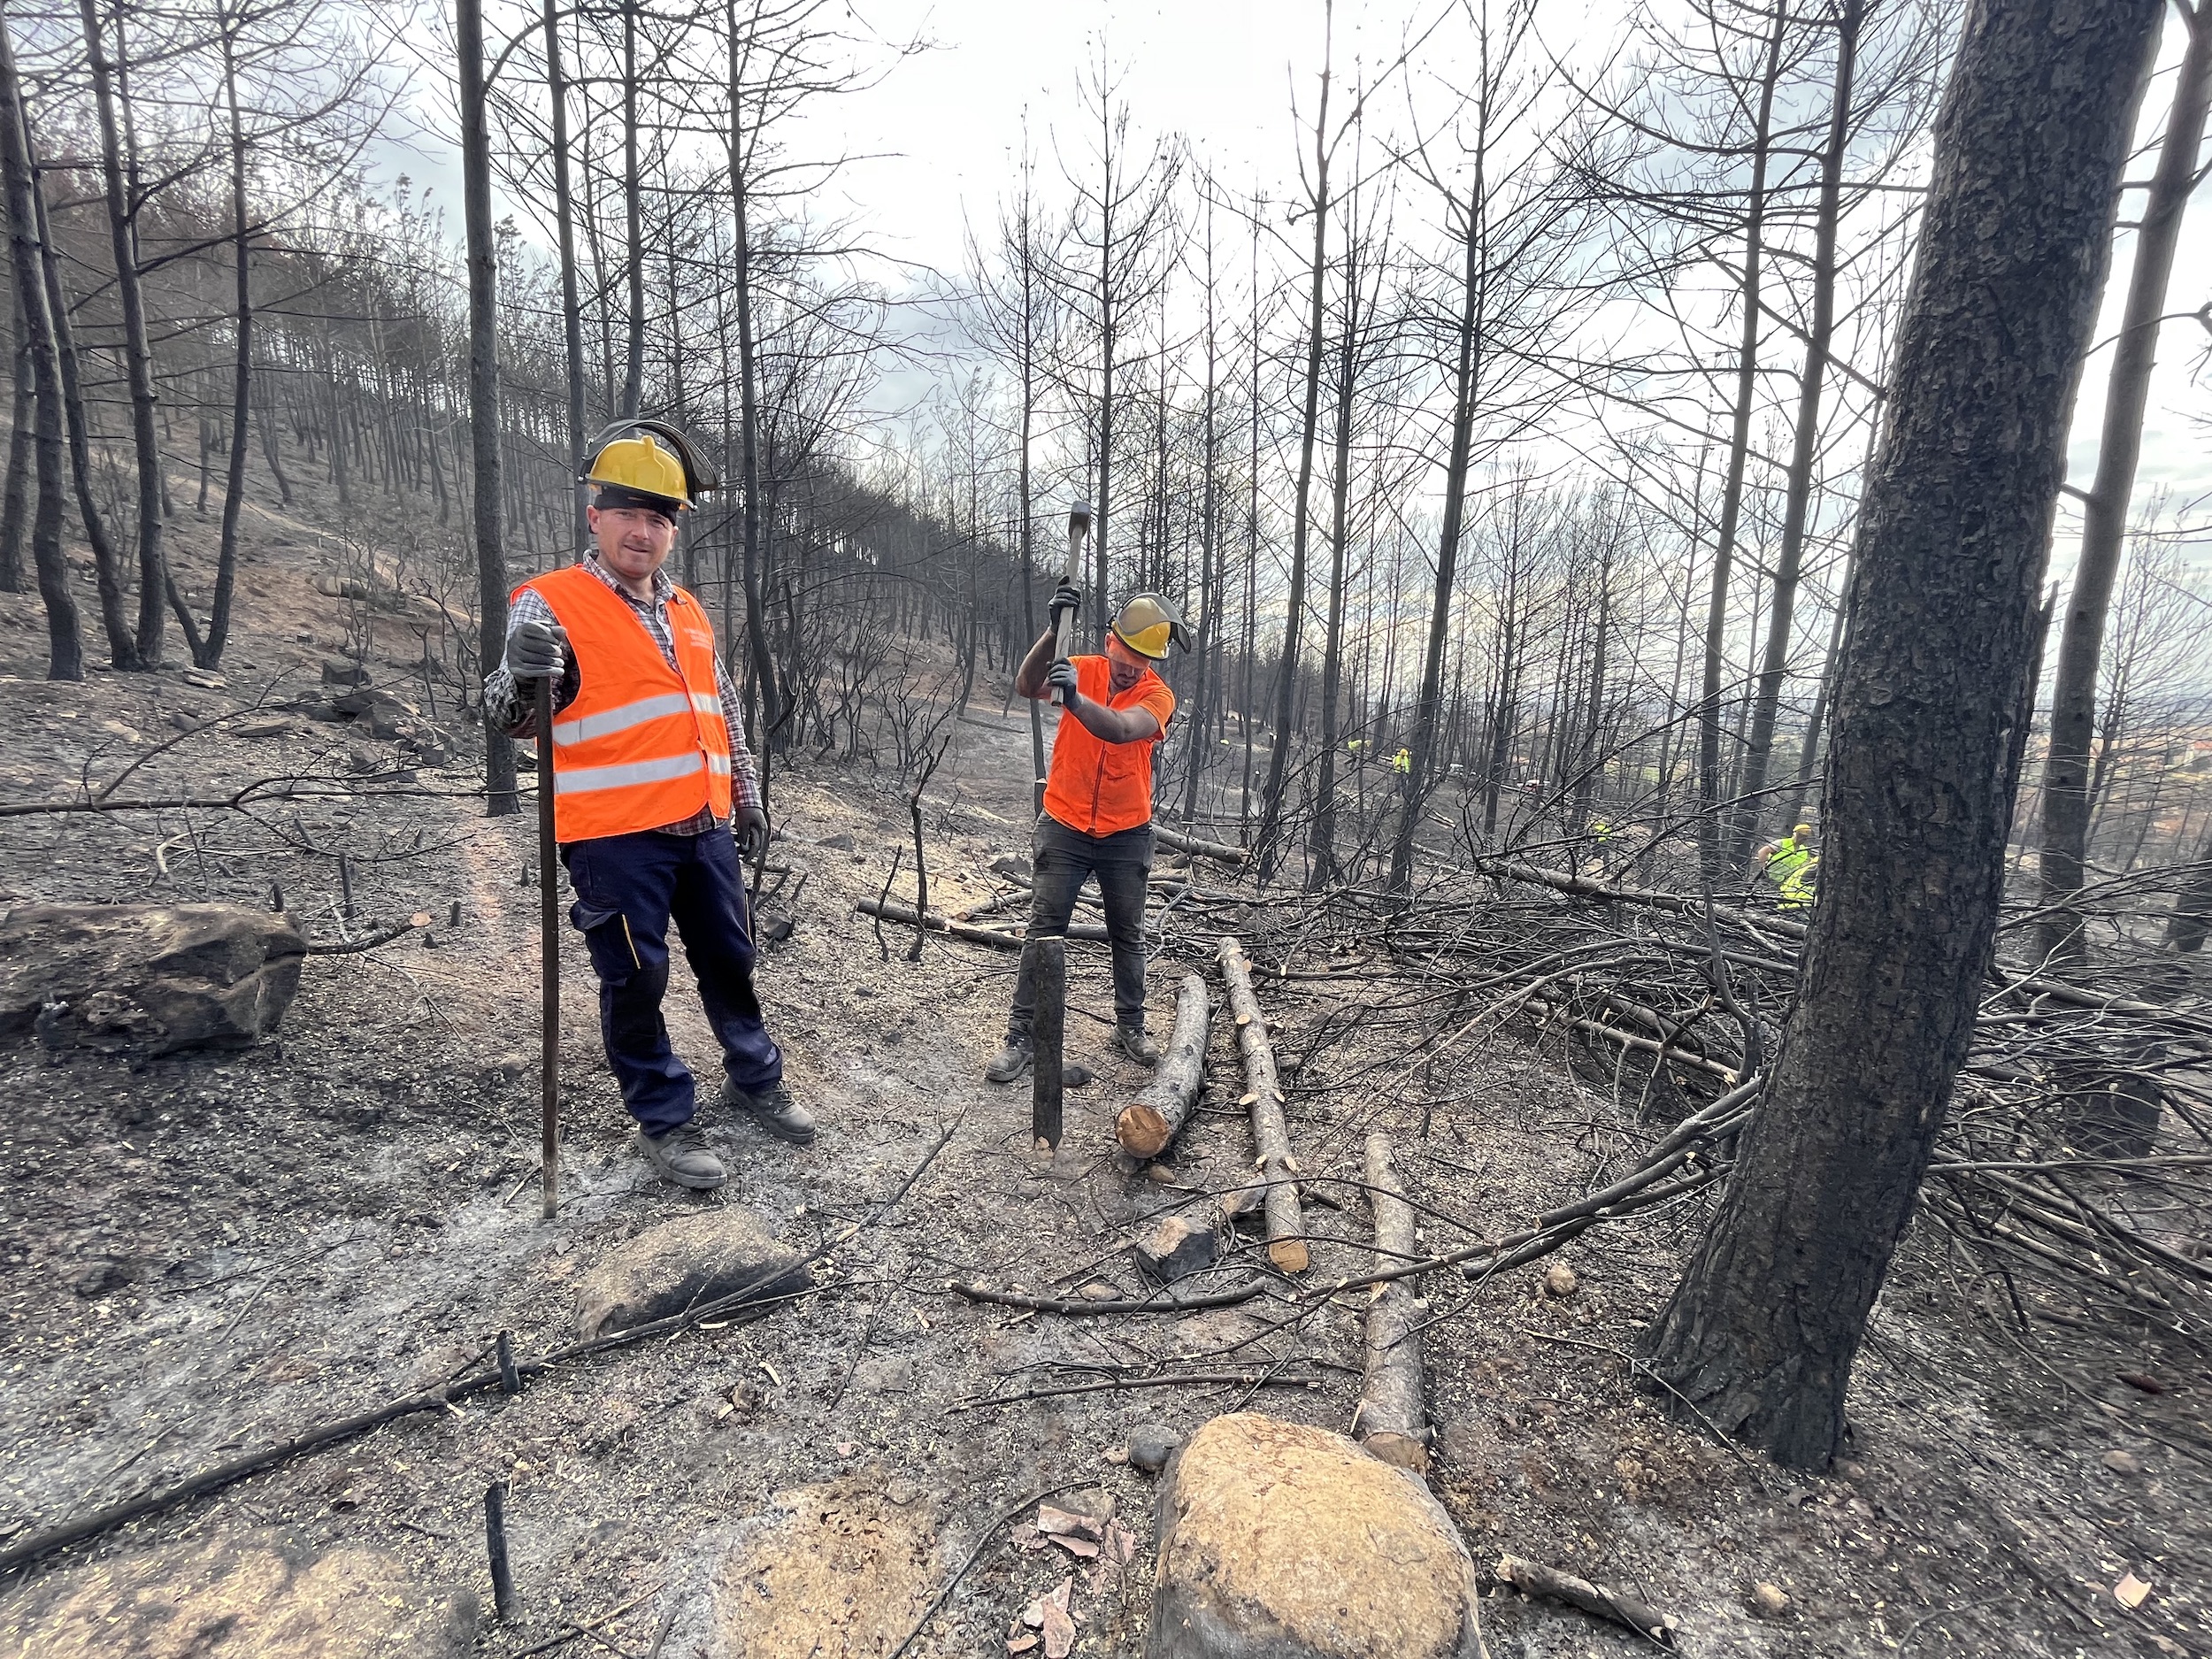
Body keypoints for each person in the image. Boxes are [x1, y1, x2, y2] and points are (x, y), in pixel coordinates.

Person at [482, 423, 812, 1191]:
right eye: (629, 511)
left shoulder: (688, 610)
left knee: (730, 959)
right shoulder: (548, 602)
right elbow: (512, 715)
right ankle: (664, 1119)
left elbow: (722, 707)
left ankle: (755, 1078)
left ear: (673, 530)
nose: (645, 529)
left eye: (661, 517)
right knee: (636, 979)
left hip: (704, 827)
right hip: (613, 838)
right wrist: (521, 677)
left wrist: (746, 794)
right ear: (595, 516)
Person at [987, 585, 1188, 1083]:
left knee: (1127, 933)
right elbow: (1026, 683)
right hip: (1064, 823)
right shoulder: (1080, 667)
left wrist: (1076, 701)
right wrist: (1053, 631)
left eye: (1143, 662)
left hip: (1126, 832)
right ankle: (1021, 1038)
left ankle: (1130, 1027)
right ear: (1109, 642)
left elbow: (1121, 729)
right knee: (1043, 932)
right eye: (1127, 656)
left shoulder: (1157, 694)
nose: (1131, 669)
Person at [1755, 822, 1819, 910]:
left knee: (1777, 903)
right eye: (1800, 835)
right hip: (1769, 878)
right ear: (1794, 833)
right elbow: (1762, 852)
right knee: (1763, 899)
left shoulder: (1804, 851)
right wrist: (1764, 867)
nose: (1802, 838)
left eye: (1805, 837)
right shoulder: (1782, 843)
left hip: (1784, 881)